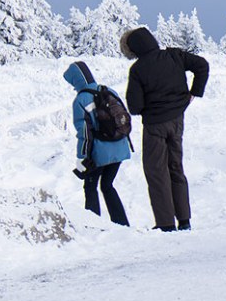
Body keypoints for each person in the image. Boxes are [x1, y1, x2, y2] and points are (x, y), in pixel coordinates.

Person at [120, 26, 208, 232]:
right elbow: (202, 65)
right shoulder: (174, 55)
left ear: (133, 49)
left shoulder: (138, 70)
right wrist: (194, 92)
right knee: (176, 167)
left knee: (156, 171)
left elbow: (134, 107)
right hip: (177, 119)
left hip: (154, 126)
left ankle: (166, 223)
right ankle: (184, 220)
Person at [64, 61, 131, 227]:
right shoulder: (109, 90)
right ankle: (121, 224)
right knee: (108, 185)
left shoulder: (81, 99)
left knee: (90, 187)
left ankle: (93, 226)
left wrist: (82, 158)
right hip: (120, 147)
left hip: (100, 153)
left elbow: (84, 133)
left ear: (75, 80)